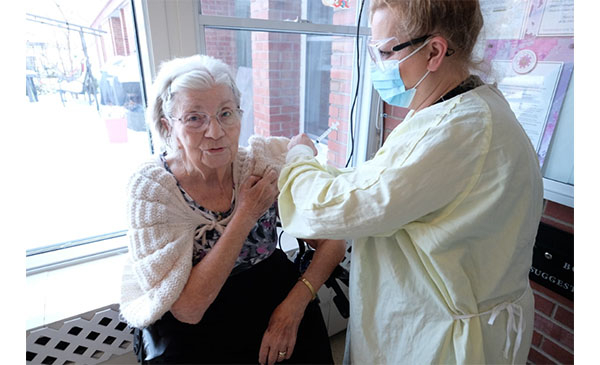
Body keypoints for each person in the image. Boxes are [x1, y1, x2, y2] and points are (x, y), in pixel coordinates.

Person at [278, 1, 543, 364]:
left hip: (444, 340)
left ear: (434, 50)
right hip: (464, 316)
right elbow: (381, 183)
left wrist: (299, 159)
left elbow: (339, 207)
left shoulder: (454, 131)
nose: (378, 65)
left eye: (386, 51)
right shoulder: (469, 106)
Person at [120, 54, 345, 365]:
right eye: (195, 118)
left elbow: (334, 240)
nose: (215, 131)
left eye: (226, 113)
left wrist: (294, 307)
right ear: (167, 126)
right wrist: (245, 215)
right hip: (198, 319)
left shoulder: (258, 164)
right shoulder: (154, 190)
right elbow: (189, 308)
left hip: (271, 291)